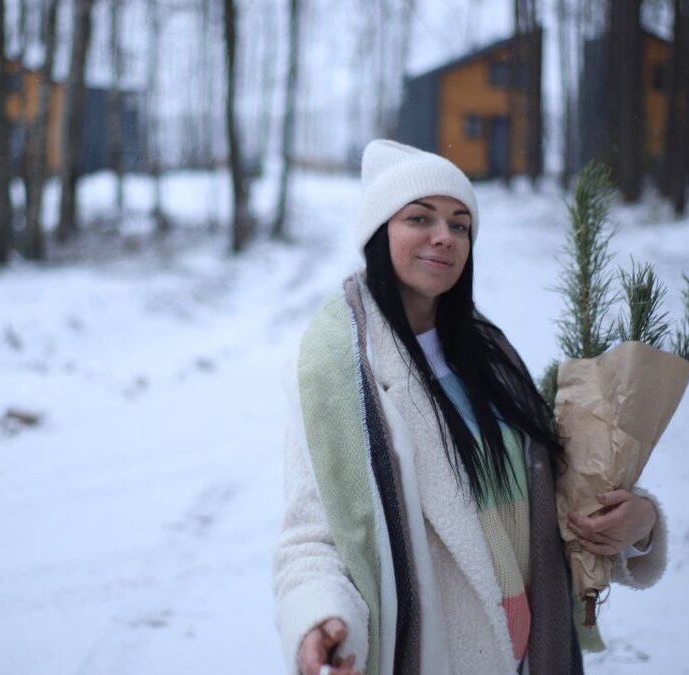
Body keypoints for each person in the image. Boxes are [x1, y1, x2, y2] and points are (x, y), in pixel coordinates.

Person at [273, 140, 667, 675]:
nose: (444, 236)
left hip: (532, 654)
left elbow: (554, 494)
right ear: (376, 233)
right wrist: (320, 618)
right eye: (419, 218)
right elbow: (310, 535)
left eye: (460, 224)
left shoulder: (491, 354)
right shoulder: (338, 372)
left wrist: (638, 523)